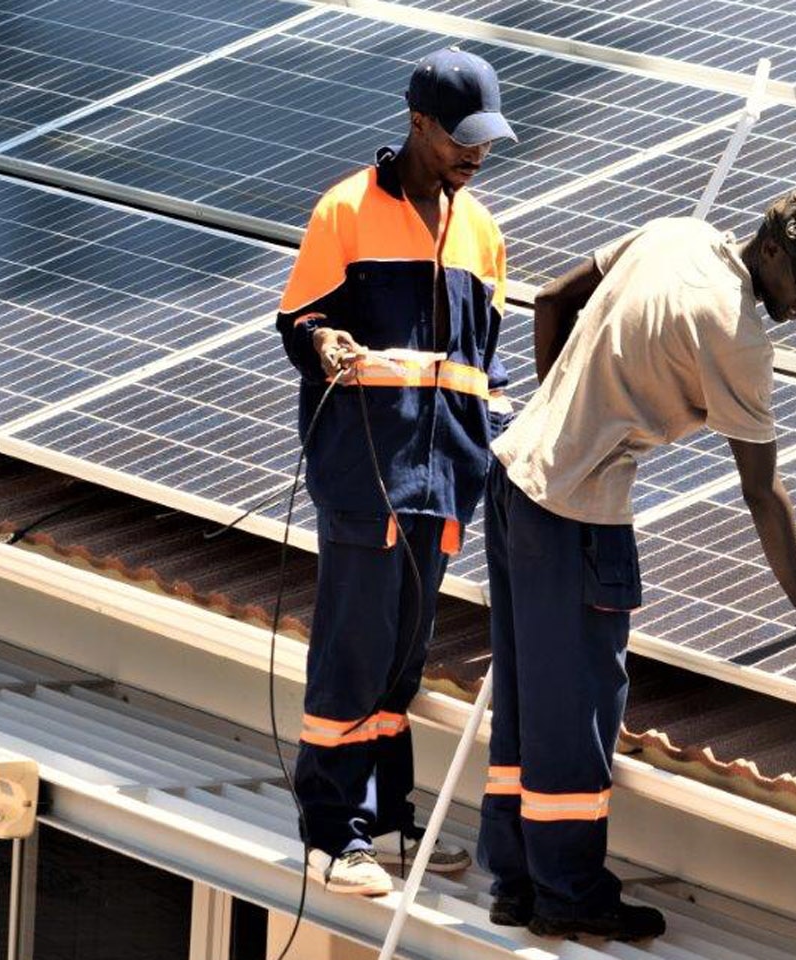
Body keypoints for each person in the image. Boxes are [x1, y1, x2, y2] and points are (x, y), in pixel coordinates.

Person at [478, 190, 796, 940]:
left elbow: (550, 299)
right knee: (578, 713)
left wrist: (557, 414)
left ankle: (516, 882)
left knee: (524, 702)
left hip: (512, 482)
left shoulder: (676, 234)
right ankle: (567, 892)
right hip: (574, 516)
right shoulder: (737, 339)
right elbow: (761, 491)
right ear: (769, 249)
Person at [274, 47, 516, 897]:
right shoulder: (345, 210)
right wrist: (321, 342)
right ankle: (330, 835)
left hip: (447, 477)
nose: (475, 153)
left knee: (400, 665)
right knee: (352, 654)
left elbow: (483, 365)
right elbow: (299, 320)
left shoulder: (482, 231)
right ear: (418, 122)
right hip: (366, 473)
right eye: (460, 138)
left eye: (485, 139)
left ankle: (383, 823)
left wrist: (496, 441)